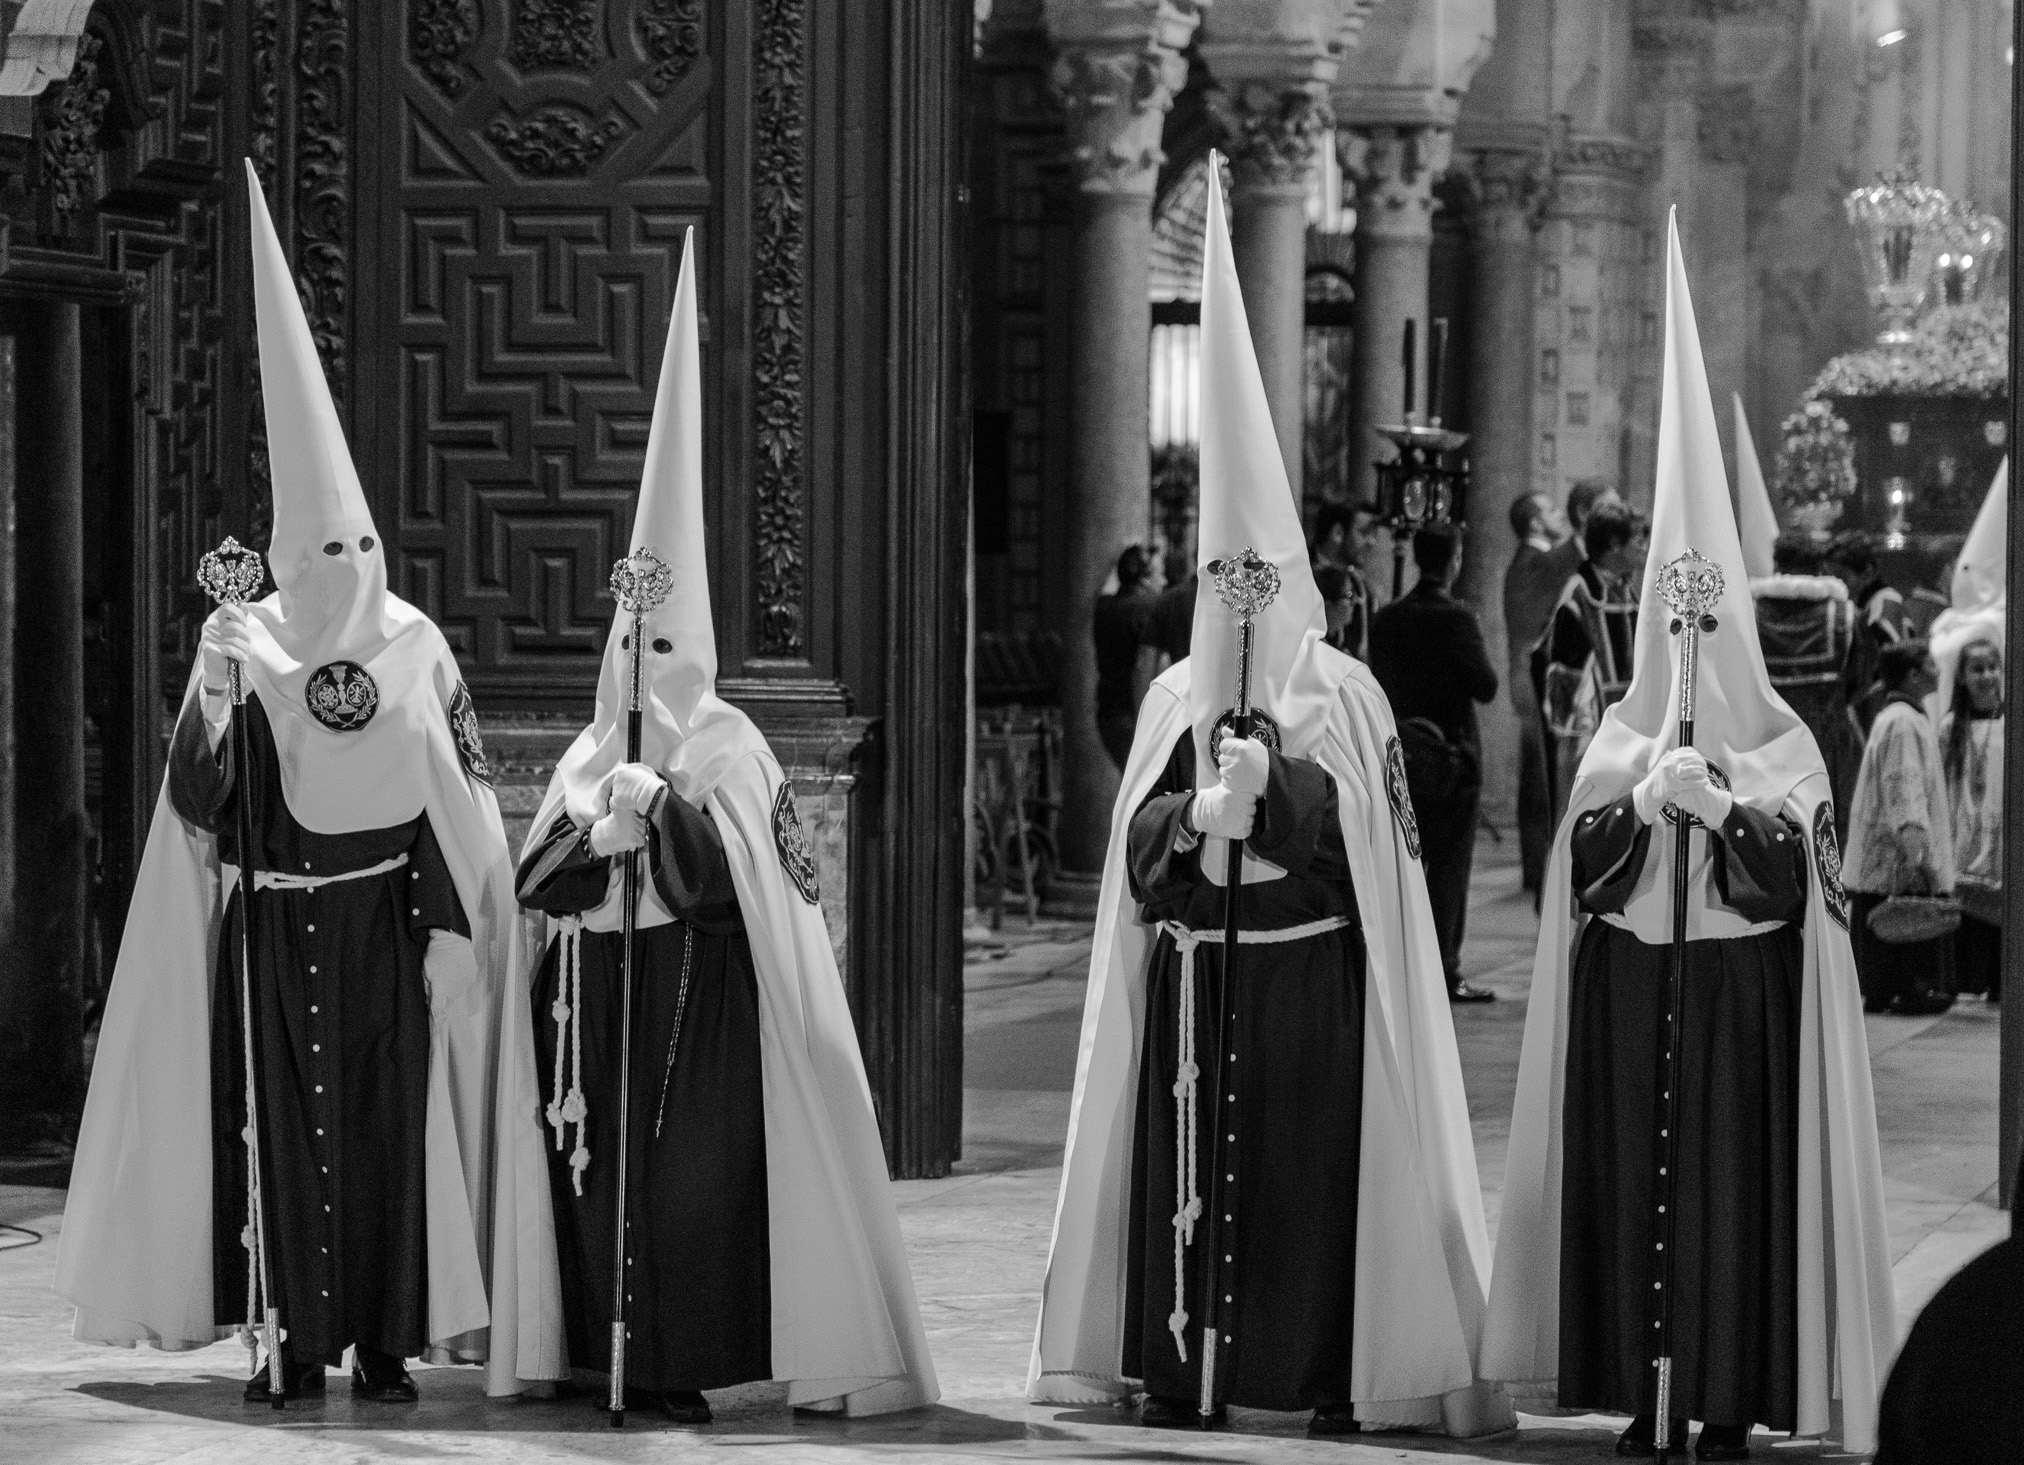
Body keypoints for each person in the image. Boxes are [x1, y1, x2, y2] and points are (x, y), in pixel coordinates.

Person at [55, 163, 563, 1402]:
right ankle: (285, 1333)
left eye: (358, 542)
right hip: (273, 930)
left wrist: (454, 926)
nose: (345, 563)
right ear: (285, 552)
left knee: (389, 1134)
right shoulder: (249, 640)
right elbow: (196, 803)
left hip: (384, 924)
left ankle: (385, 1340)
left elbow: (454, 793)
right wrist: (221, 693)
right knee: (272, 1134)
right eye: (322, 547)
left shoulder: (413, 639)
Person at [1029, 163, 1509, 1441]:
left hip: (1303, 984)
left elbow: (1378, 853)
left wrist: (1281, 788)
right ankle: (1176, 1361)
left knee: (1298, 1186)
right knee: (1184, 1182)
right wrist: (1188, 816)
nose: (1238, 603)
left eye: (1260, 579)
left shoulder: (1343, 692)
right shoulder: (1172, 694)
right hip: (1192, 974)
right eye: (1220, 579)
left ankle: (1304, 1368)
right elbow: (1136, 853)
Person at [1484, 215, 1896, 1462]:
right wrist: (1634, 805)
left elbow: (1807, 890)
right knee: (1629, 1193)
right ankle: (1635, 1388)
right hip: (1630, 994)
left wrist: (1723, 812)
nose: (1682, 634)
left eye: (1700, 613)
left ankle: (1719, 1394)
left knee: (1723, 1205)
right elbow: (1580, 873)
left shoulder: (1785, 746)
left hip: (1730, 1005)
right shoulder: (1616, 738)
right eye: (1667, 608)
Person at [514, 231, 936, 1422]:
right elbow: (534, 879)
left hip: (697, 999)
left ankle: (674, 1361)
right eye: (629, 644)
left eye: (664, 646)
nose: (644, 666)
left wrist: (673, 822)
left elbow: (744, 888)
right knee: (587, 1178)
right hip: (593, 1002)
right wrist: (596, 833)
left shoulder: (731, 745)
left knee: (684, 1185)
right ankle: (591, 1348)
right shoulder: (590, 749)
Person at [1370, 522, 1499, 1001]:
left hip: (1399, 754)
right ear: (1455, 559)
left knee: (1400, 861)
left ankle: (1395, 961)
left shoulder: (1385, 619)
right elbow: (1485, 686)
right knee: (1447, 870)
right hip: (1451, 759)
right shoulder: (1456, 619)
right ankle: (1444, 970)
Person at [1843, 640, 1957, 1016]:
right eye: (1930, 665)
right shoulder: (1904, 721)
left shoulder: (1897, 717)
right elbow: (1903, 785)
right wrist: (1914, 849)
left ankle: (1885, 989)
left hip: (1890, 849)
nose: (1937, 672)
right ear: (1912, 674)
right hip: (1894, 853)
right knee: (1899, 921)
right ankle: (1905, 989)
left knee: (1889, 926)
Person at [1535, 498, 1642, 829]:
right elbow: (1564, 675)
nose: (1645, 548)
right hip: (1589, 737)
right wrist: (1582, 740)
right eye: (1639, 540)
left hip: (1628, 734)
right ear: (1613, 545)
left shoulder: (1627, 589)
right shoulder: (1581, 593)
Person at [1752, 534, 1866, 837]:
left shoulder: (1749, 615)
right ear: (1820, 568)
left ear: (1777, 566)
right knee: (1824, 837)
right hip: (1825, 748)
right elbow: (1860, 682)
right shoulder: (1844, 617)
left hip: (1763, 748)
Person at [1504, 491, 1574, 893]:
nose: (1558, 514)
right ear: (1533, 523)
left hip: (1531, 683)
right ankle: (1538, 870)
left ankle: (1537, 869)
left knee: (1537, 780)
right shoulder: (1533, 562)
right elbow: (1567, 554)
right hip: (1532, 684)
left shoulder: (1534, 562)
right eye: (1551, 508)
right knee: (1540, 781)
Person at [1939, 637, 2002, 1001]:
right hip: (1963, 834)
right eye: (1977, 669)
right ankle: (1968, 982)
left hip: (2000, 835)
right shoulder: (1950, 727)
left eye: (1992, 667)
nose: (1986, 675)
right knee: (1968, 909)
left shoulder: (2012, 721)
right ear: (1962, 676)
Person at [1826, 530, 1907, 733]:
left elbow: (1882, 666)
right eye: (1830, 577)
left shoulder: (1886, 601)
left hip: (1881, 712)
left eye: (1842, 577)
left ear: (1867, 573)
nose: (1835, 585)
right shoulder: (1855, 605)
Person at [1094, 544, 1163, 770]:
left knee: (1132, 783)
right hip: (1135, 712)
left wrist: (1119, 562)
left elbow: (1108, 587)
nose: (1163, 581)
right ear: (1144, 577)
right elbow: (1147, 666)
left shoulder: (1104, 607)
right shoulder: (1151, 608)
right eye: (1158, 574)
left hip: (1107, 714)